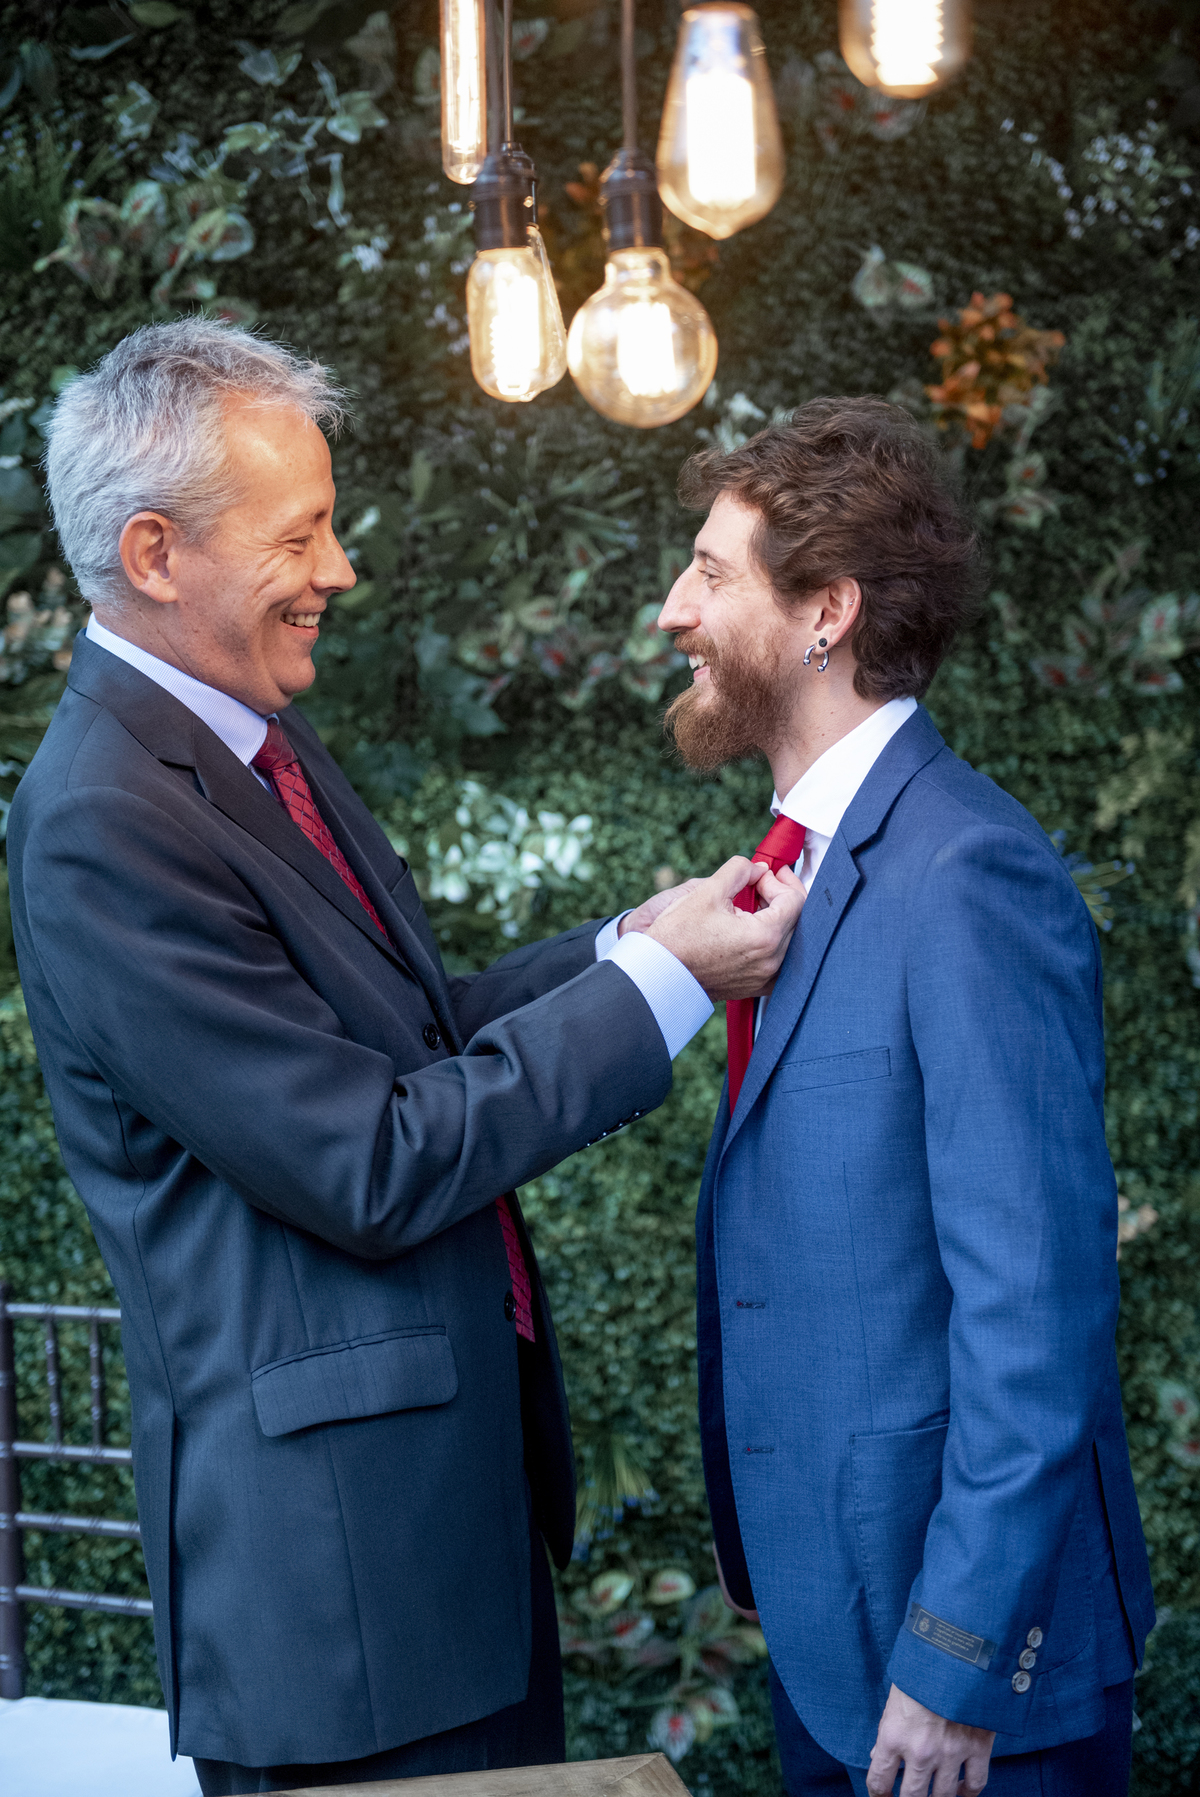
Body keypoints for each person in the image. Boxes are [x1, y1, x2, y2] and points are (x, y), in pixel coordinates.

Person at [6, 319, 803, 1796]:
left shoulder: (253, 735)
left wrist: (634, 931)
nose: (341, 571)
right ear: (157, 552)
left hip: (435, 1551)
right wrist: (664, 987)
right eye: (302, 533)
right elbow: (366, 1156)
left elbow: (412, 1033)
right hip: (338, 1607)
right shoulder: (100, 817)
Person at [656, 397, 1155, 1797]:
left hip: (970, 1690)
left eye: (708, 571)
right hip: (831, 1639)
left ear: (826, 610)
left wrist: (952, 1652)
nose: (670, 610)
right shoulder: (788, 867)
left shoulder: (968, 874)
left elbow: (1036, 1303)